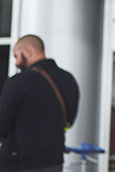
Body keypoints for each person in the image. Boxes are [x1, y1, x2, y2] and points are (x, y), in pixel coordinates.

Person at [0, 34, 80, 172]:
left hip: (19, 163)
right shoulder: (69, 80)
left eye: (16, 56)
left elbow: (2, 123)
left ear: (28, 52)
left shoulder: (18, 81)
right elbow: (70, 120)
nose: (16, 62)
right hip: (54, 162)